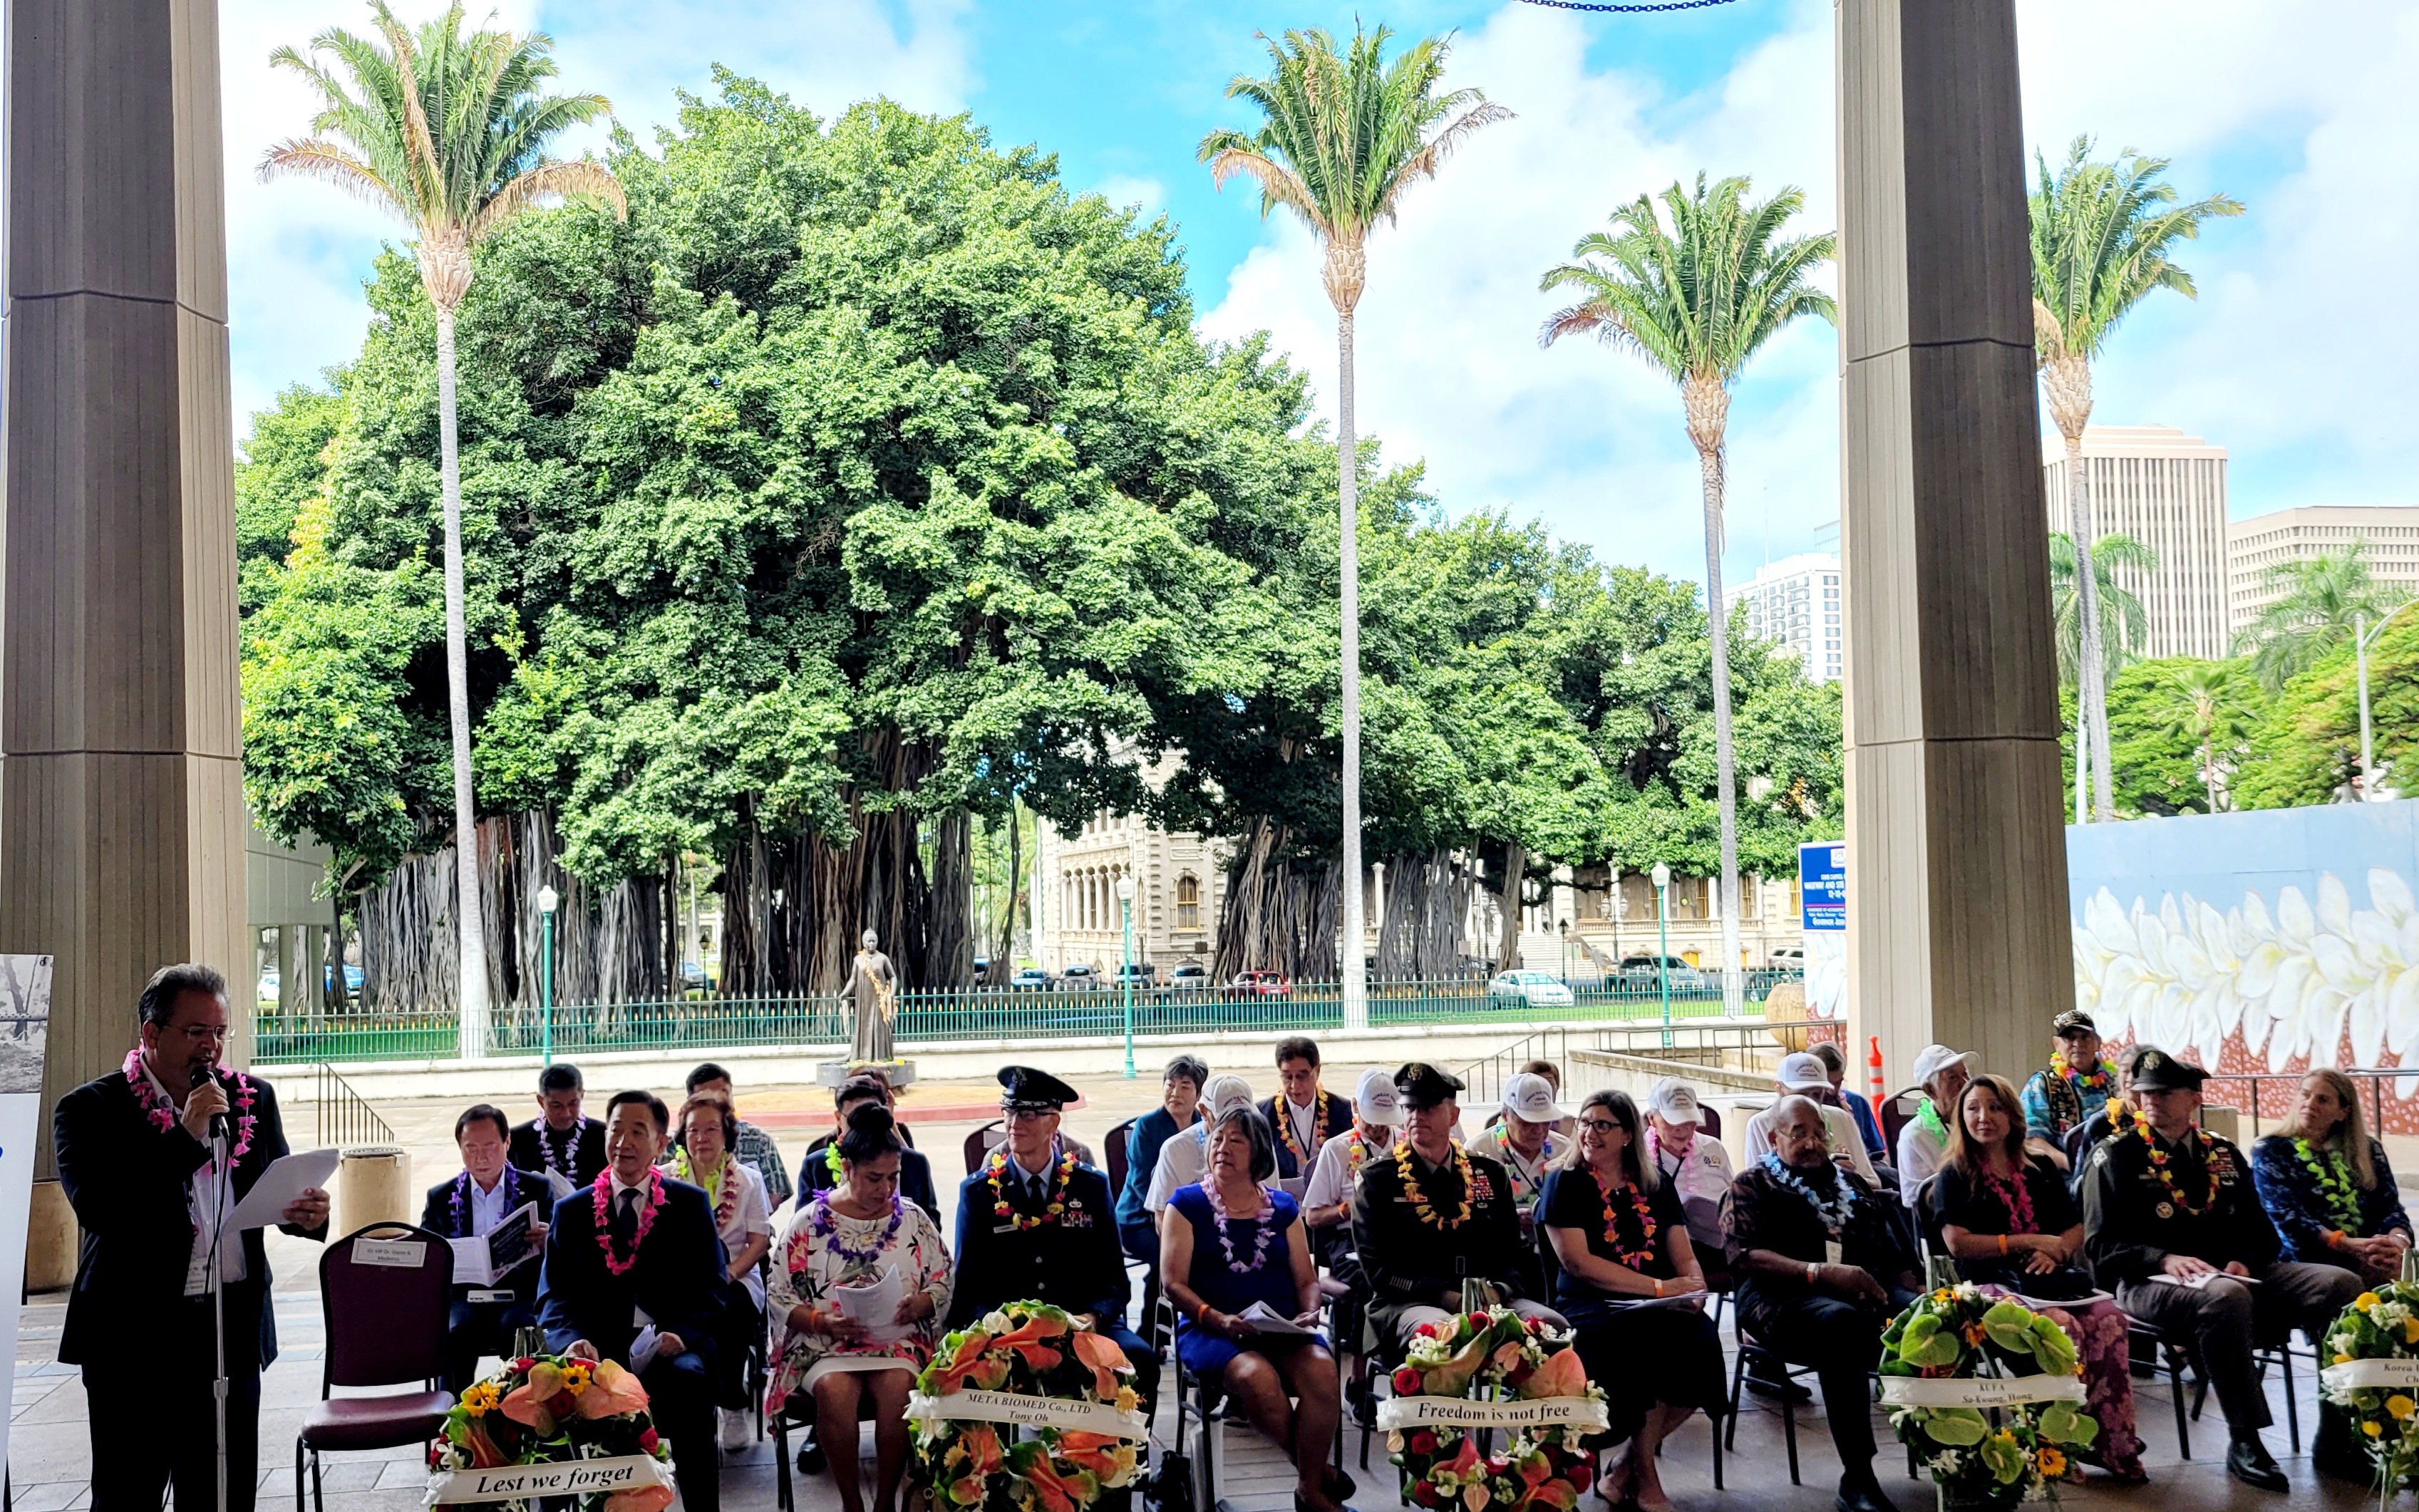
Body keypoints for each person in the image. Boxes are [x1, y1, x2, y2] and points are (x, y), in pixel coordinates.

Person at [55, 963, 331, 1512]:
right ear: (151, 1034)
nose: (210, 1048)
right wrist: (186, 1137)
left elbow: (270, 1188)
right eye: (195, 1032)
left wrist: (306, 1214)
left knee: (222, 1493)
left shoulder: (252, 1098)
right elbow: (103, 1211)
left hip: (229, 1327)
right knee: (128, 1491)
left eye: (220, 1033)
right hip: (135, 1334)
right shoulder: (90, 1110)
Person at [2082, 1047, 2366, 1491]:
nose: (2151, 1099)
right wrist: (2163, 1258)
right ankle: (2245, 1439)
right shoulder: (2115, 1155)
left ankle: (2338, 1432)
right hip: (2149, 1283)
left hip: (2230, 1276)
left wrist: (2245, 1260)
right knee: (2226, 1299)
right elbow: (2099, 1246)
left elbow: (2264, 1235)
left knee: (2341, 1284)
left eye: (2164, 1091)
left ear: (2194, 1098)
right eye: (2144, 1091)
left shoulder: (2223, 1154)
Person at [1920, 1075, 2145, 1482]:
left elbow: (2076, 1227)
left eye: (1994, 1107)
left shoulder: (2039, 1168)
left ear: (2012, 1115)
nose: (1983, 1117)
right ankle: (2058, 1445)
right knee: (2060, 1329)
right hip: (1988, 1287)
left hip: (2050, 1279)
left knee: (2110, 1318)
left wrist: (2053, 1248)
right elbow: (1958, 1244)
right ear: (1961, 1117)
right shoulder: (1954, 1174)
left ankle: (2113, 1442)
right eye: (1973, 1109)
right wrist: (2027, 1240)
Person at [537, 1089, 730, 1512]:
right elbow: (553, 1296)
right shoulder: (572, 1211)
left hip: (667, 1347)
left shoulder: (689, 1205)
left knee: (690, 1381)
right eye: (616, 1130)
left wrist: (682, 1334)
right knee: (551, 1389)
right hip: (596, 1350)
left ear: (662, 1144)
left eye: (637, 1131)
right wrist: (569, 1342)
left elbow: (714, 1289)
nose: (623, 1142)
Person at [1728, 1094, 1919, 1512]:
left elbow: (1889, 1255)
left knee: (1929, 1320)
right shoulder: (1752, 1184)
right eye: (1799, 1134)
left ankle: (1951, 1453)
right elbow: (1748, 1256)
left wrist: (1915, 1295)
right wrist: (1819, 1273)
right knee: (1842, 1326)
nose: (1812, 1143)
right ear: (1775, 1138)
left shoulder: (1849, 1184)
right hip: (1778, 1299)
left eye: (1819, 1134)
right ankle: (1858, 1478)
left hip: (1858, 1291)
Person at [1539, 1091, 1724, 1512]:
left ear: (1628, 1135)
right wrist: (1660, 1289)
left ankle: (1624, 1469)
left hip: (1655, 1303)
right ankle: (1648, 1478)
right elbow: (1579, 1263)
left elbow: (1682, 1250)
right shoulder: (1564, 1182)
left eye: (1603, 1125)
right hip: (1591, 1305)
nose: (1590, 1133)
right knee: (1635, 1347)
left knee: (1700, 1340)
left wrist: (1692, 1287)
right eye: (1585, 1123)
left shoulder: (1653, 1182)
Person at [1162, 1107, 1351, 1512]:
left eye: (1237, 1141)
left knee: (1322, 1369)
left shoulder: (1282, 1207)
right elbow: (1172, 1284)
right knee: (1256, 1376)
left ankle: (1308, 1485)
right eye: (1218, 1140)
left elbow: (1306, 1280)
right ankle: (1316, 1481)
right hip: (1212, 1327)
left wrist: (1311, 1312)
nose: (1223, 1148)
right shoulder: (1187, 1204)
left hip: (1280, 1327)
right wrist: (1218, 1319)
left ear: (1259, 1153)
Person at [767, 1104, 954, 1512]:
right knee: (835, 1390)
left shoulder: (915, 1221)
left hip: (897, 1341)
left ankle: (885, 1501)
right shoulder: (807, 1224)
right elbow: (780, 1294)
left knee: (897, 1389)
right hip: (827, 1346)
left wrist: (922, 1303)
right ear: (847, 1168)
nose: (886, 1189)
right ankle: (852, 1504)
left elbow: (943, 1276)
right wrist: (821, 1320)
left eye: (894, 1178)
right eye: (874, 1178)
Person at [949, 1067, 1156, 1406]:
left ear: (1054, 1122)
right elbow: (968, 1287)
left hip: (1079, 1325)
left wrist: (1092, 1317)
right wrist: (1004, 1328)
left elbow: (1114, 1281)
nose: (1015, 1123)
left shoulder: (1088, 1186)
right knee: (974, 1371)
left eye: (1029, 1114)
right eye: (1009, 1111)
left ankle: (1122, 1458)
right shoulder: (980, 1192)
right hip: (1008, 1332)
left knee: (1140, 1360)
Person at [1351, 1063, 1562, 1349]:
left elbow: (1515, 1250)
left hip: (1489, 1298)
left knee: (1553, 1327)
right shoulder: (1379, 1178)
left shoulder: (1488, 1171)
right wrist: (1444, 1295)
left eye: (1428, 1108)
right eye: (1410, 1108)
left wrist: (1499, 1291)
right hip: (1410, 1302)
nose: (1416, 1117)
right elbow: (1378, 1271)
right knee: (1443, 1334)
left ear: (1453, 1115)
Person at [664, 1089, 775, 1450]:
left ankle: (731, 1403)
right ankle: (693, 1400)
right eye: (694, 1130)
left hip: (736, 1275)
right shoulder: (664, 1179)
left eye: (711, 1130)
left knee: (730, 1309)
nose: (702, 1138)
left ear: (726, 1134)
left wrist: (727, 1273)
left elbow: (759, 1241)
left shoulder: (746, 1180)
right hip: (681, 1279)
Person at [421, 1104, 550, 1394]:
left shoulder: (537, 1189)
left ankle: (522, 1418)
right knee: (456, 1333)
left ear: (507, 1143)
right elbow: (428, 1257)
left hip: (519, 1294)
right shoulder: (441, 1197)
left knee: (522, 1331)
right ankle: (454, 1422)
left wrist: (548, 1239)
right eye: (471, 1148)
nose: (481, 1157)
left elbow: (564, 1247)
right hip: (466, 1296)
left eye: (491, 1146)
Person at [2252, 1068, 2413, 1281]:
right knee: (2345, 1279)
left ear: (2343, 1112)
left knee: (2400, 1269)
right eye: (2305, 1094)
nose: (2310, 1104)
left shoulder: (2369, 1150)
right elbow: (2288, 1219)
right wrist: (2347, 1245)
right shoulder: (2272, 1150)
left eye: (2323, 1100)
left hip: (2369, 1252)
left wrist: (2396, 1243)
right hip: (2306, 1258)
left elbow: (2390, 1208)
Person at [802, 1076, 941, 1218]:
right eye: (854, 1119)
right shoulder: (816, 1166)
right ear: (838, 1118)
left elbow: (931, 1223)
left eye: (892, 1177)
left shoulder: (914, 1163)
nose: (886, 1189)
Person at [1120, 1054, 1209, 1264]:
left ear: (1198, 1094)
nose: (1175, 1094)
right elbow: (1141, 1182)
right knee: (1171, 1253)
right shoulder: (1147, 1127)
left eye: (1185, 1087)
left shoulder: (1203, 1125)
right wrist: (1175, 1216)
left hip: (1190, 1213)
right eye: (1170, 1085)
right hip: (1141, 1216)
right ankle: (1160, 1296)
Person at [1743, 1052, 1879, 1184]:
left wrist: (1848, 1176)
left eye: (1816, 1094)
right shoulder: (1760, 1124)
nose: (1808, 1102)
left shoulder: (1842, 1118)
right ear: (1779, 1087)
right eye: (1800, 1094)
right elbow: (1759, 1186)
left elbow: (1873, 1182)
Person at [678, 1062, 795, 1212]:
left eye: (723, 1093)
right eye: (707, 1096)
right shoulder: (675, 1144)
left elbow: (776, 1192)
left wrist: (748, 1219)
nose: (718, 1101)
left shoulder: (759, 1139)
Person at [1465, 1072, 1572, 1235]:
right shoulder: (1479, 1151)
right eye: (1528, 1122)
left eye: (1545, 1121)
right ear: (1506, 1116)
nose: (1539, 1130)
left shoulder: (1563, 1149)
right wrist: (1509, 1218)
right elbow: (1470, 1212)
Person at [1644, 1078, 1734, 1268]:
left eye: (1689, 1121)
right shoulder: (1638, 1154)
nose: (1682, 1129)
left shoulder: (1712, 1147)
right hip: (1660, 1246)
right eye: (1674, 1121)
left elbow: (1732, 1198)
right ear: (1653, 1119)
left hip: (1715, 1243)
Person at [1147, 1073, 1257, 1221]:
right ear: (1204, 1112)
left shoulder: (1259, 1142)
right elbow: (1163, 1216)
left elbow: (1272, 1201)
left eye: (1243, 1119)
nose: (1235, 1127)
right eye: (1225, 1120)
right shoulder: (1175, 1149)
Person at [2018, 1010, 2117, 1171]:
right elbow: (2031, 1139)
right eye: (2070, 1038)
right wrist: (2074, 1166)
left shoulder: (2116, 1080)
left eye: (2085, 1037)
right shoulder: (2042, 1084)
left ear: (2097, 1042)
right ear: (2057, 1044)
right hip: (2066, 1180)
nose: (2078, 1044)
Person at [1894, 1042, 1979, 1207]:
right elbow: (1916, 1202)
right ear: (1930, 1091)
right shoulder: (1914, 1136)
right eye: (1953, 1077)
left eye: (1965, 1075)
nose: (1965, 1084)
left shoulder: (1979, 1122)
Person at [1262, 1036, 1353, 1182]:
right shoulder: (1263, 1115)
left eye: (1301, 1076)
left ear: (1317, 1071)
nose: (1294, 1086)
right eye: (1287, 1077)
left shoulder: (1342, 1110)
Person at [510, 1062, 607, 1192]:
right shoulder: (518, 1141)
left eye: (573, 1103)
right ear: (541, 1101)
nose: (566, 1114)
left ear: (582, 1096)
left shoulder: (602, 1137)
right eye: (556, 1105)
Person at [1809, 1040, 1889, 1166]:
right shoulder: (1804, 1111)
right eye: (1827, 1084)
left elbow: (1877, 1151)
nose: (1832, 1090)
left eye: (1838, 1083)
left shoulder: (1857, 1102)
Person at [843, 929, 899, 1064]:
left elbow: (893, 977)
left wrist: (891, 994)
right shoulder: (858, 960)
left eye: (874, 940)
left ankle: (881, 1056)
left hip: (880, 999)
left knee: (879, 1025)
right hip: (864, 1000)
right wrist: (844, 993)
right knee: (864, 1024)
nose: (871, 943)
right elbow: (853, 979)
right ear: (864, 942)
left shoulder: (883, 958)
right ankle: (862, 1056)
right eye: (869, 941)